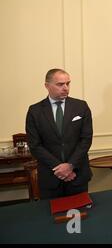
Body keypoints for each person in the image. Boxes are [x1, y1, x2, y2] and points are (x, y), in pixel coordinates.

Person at [26, 69, 93, 198]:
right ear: (47, 86)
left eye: (68, 83)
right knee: (53, 216)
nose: (65, 88)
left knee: (80, 216)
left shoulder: (81, 106)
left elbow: (86, 140)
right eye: (60, 84)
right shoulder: (35, 111)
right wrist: (59, 168)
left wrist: (70, 165)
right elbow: (35, 145)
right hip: (50, 177)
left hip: (77, 175)